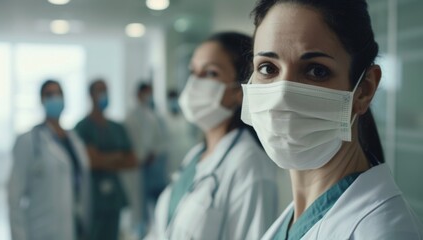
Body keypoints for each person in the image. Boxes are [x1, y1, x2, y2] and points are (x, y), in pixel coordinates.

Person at [240, 0, 423, 239]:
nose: (282, 96)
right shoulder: (297, 216)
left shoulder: (385, 232)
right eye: (267, 68)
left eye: (316, 71)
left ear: (364, 89)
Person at [146, 32, 279, 240]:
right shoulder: (196, 155)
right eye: (193, 71)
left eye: (210, 73)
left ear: (240, 91)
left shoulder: (250, 165)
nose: (195, 83)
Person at [8, 80, 90, 240]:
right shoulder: (29, 141)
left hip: (72, 227)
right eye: (50, 94)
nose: (55, 98)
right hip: (40, 229)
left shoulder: (74, 140)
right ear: (42, 100)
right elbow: (14, 196)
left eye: (59, 94)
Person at [75, 79, 137, 240]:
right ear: (90, 95)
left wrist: (102, 158)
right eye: (100, 91)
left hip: (114, 198)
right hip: (92, 197)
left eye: (106, 91)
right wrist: (117, 156)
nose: (104, 96)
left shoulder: (117, 128)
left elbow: (132, 160)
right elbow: (90, 162)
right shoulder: (83, 128)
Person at [123, 82, 168, 238]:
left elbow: (158, 140)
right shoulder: (131, 117)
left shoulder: (153, 116)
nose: (148, 97)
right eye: (146, 93)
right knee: (138, 207)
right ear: (138, 94)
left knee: (155, 207)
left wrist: (153, 154)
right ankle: (139, 232)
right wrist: (141, 156)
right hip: (136, 167)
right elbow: (130, 143)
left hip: (152, 167)